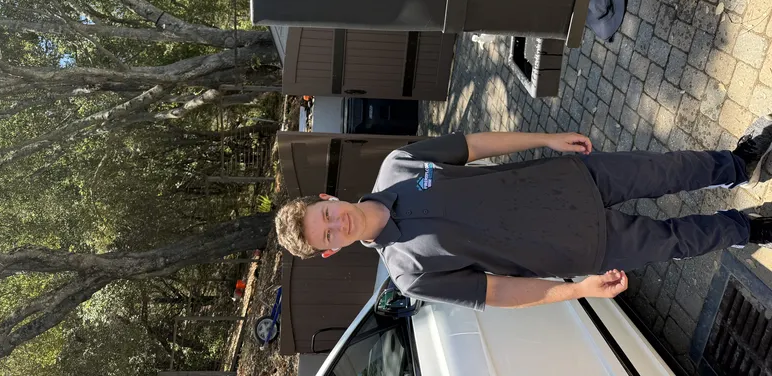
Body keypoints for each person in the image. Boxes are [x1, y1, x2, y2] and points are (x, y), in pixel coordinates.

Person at [275, 120, 772, 311]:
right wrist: (577, 289)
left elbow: (472, 145)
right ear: (331, 248)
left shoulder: (399, 166)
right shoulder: (409, 275)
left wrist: (545, 139)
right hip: (582, 246)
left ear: (328, 196)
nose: (337, 223)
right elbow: (499, 291)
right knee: (681, 240)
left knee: (672, 168)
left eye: (327, 213)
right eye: (328, 234)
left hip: (572, 178)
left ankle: (742, 164)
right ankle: (756, 227)